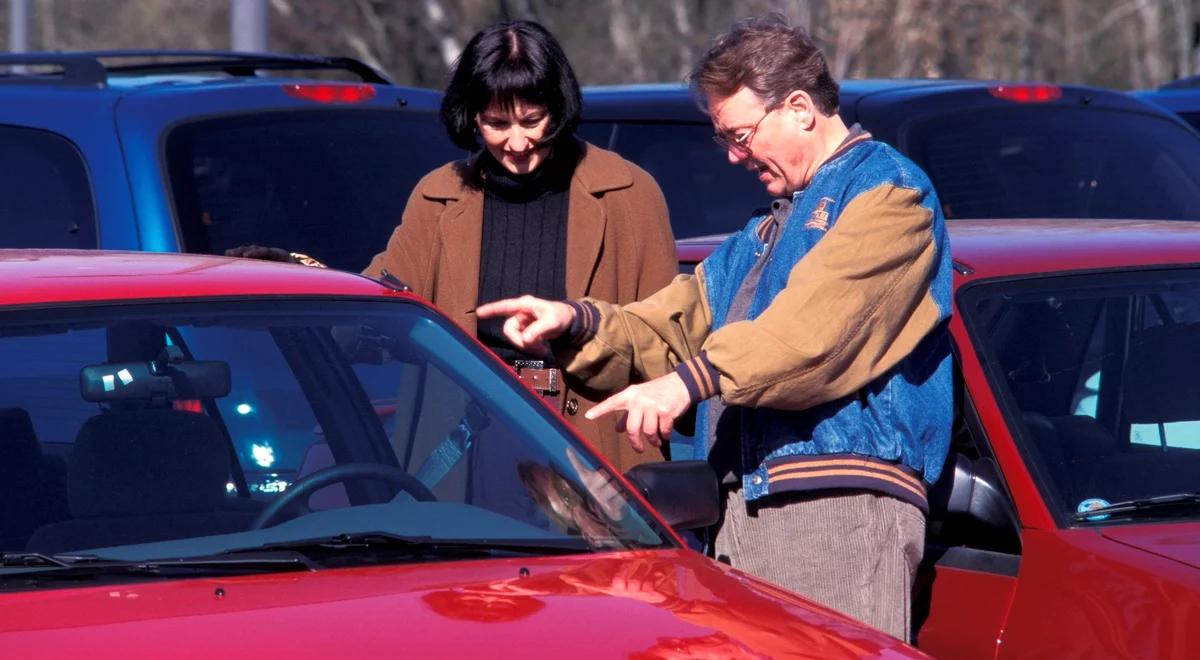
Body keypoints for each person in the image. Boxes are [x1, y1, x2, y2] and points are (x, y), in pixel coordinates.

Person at [476, 13, 953, 641]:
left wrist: (682, 386)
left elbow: (811, 334)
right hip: (741, 513)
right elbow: (676, 321)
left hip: (840, 508)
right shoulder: (763, 231)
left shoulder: (892, 197)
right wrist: (575, 321)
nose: (732, 155)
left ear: (801, 108)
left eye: (741, 133)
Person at [231, 20, 677, 472]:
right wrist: (297, 277)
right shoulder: (438, 196)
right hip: (467, 453)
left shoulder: (628, 194)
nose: (518, 143)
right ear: (472, 118)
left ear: (559, 108)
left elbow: (668, 339)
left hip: (596, 449)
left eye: (532, 121)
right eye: (497, 124)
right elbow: (382, 311)